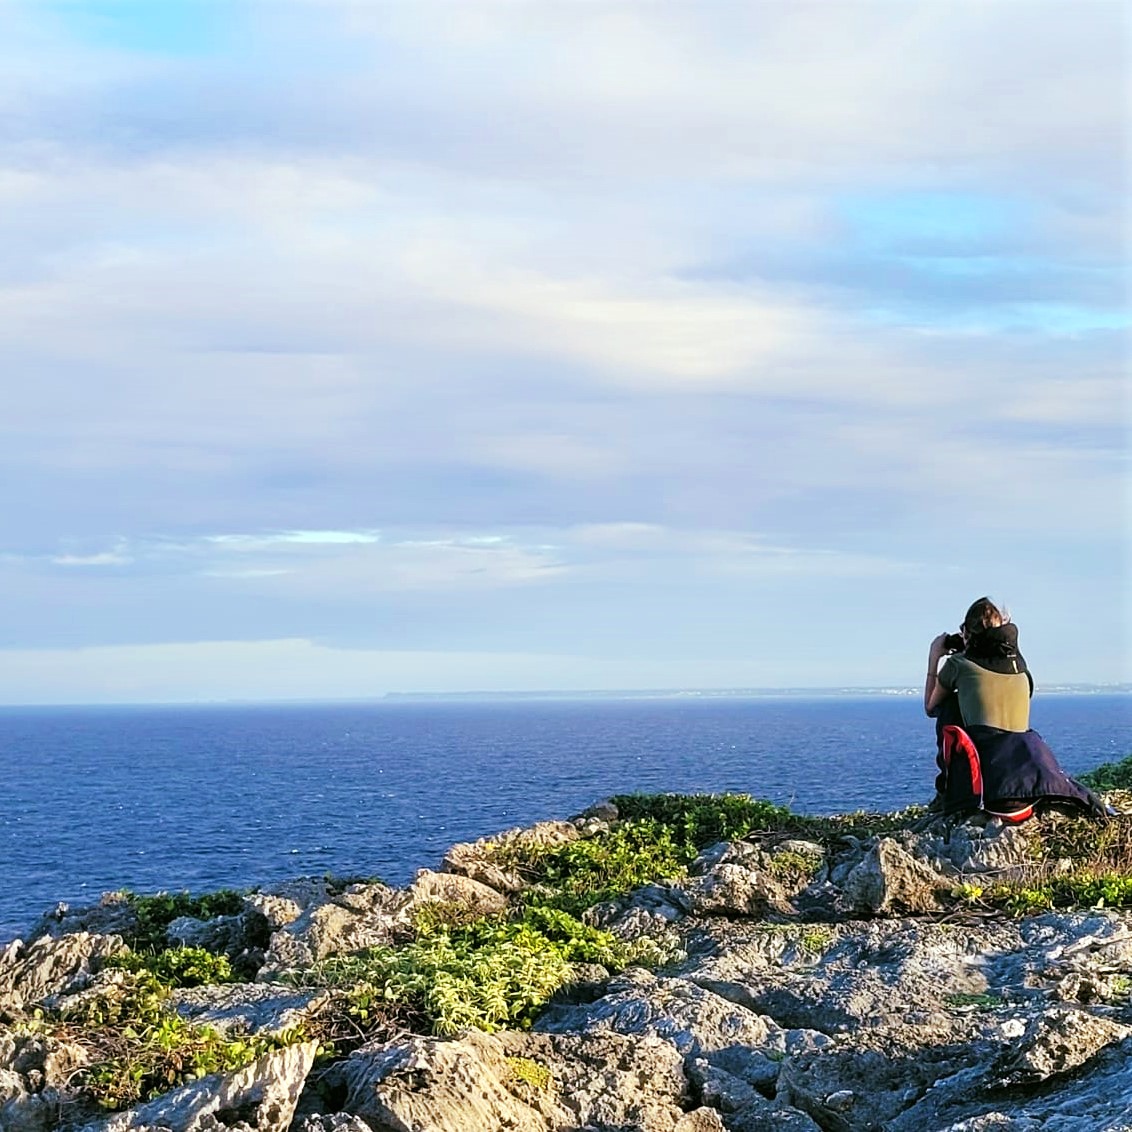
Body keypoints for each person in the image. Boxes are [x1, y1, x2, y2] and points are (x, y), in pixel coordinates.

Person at [924, 598, 1103, 821]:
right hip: (1029, 789)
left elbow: (931, 708)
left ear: (967, 634)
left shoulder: (958, 665)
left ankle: (945, 792)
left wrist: (934, 657)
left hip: (988, 795)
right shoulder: (1022, 668)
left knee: (949, 705)